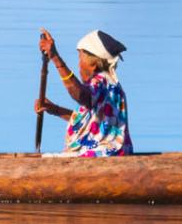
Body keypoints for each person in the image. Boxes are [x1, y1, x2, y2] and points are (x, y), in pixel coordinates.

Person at [34, 29, 132, 157]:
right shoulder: (112, 85)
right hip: (117, 153)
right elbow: (89, 124)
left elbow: (80, 95)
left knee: (47, 161)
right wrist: (55, 110)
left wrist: (56, 59)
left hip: (101, 155)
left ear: (93, 64)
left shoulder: (98, 83)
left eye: (80, 58)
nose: (78, 65)